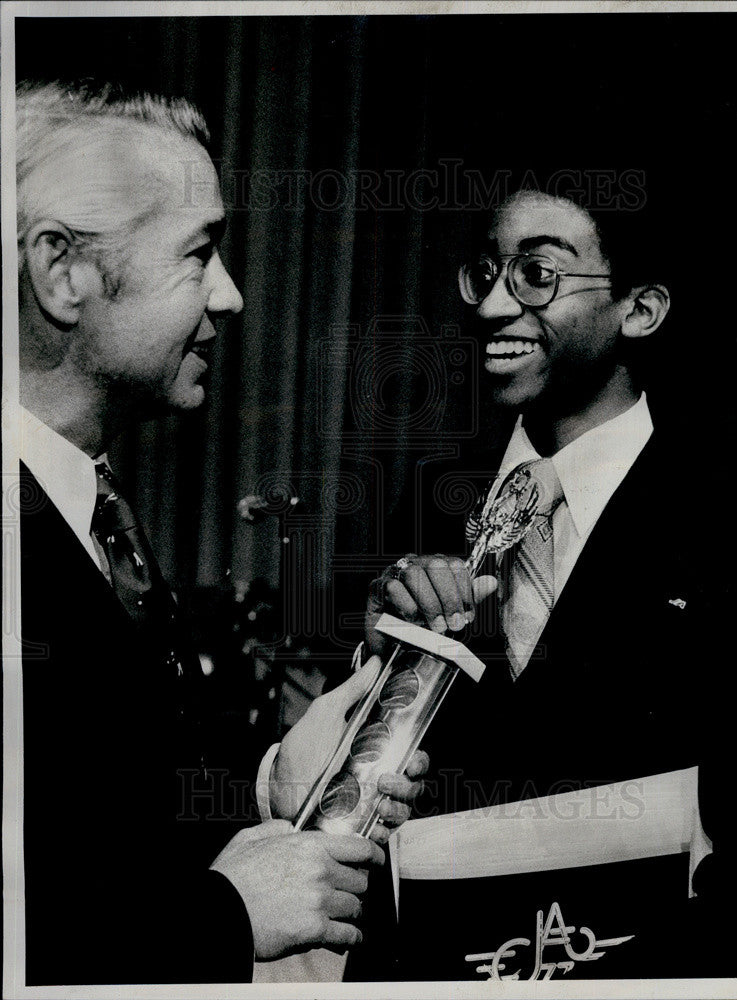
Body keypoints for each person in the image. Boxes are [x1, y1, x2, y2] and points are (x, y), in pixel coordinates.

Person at [14, 79, 427, 986]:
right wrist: (225, 917)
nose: (232, 296)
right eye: (199, 253)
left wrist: (270, 781)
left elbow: (91, 813)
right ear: (62, 272)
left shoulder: (90, 508)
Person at [360, 187, 737, 980]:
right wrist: (382, 655)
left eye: (536, 274)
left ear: (641, 310)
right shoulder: (424, 498)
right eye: (486, 272)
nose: (489, 305)